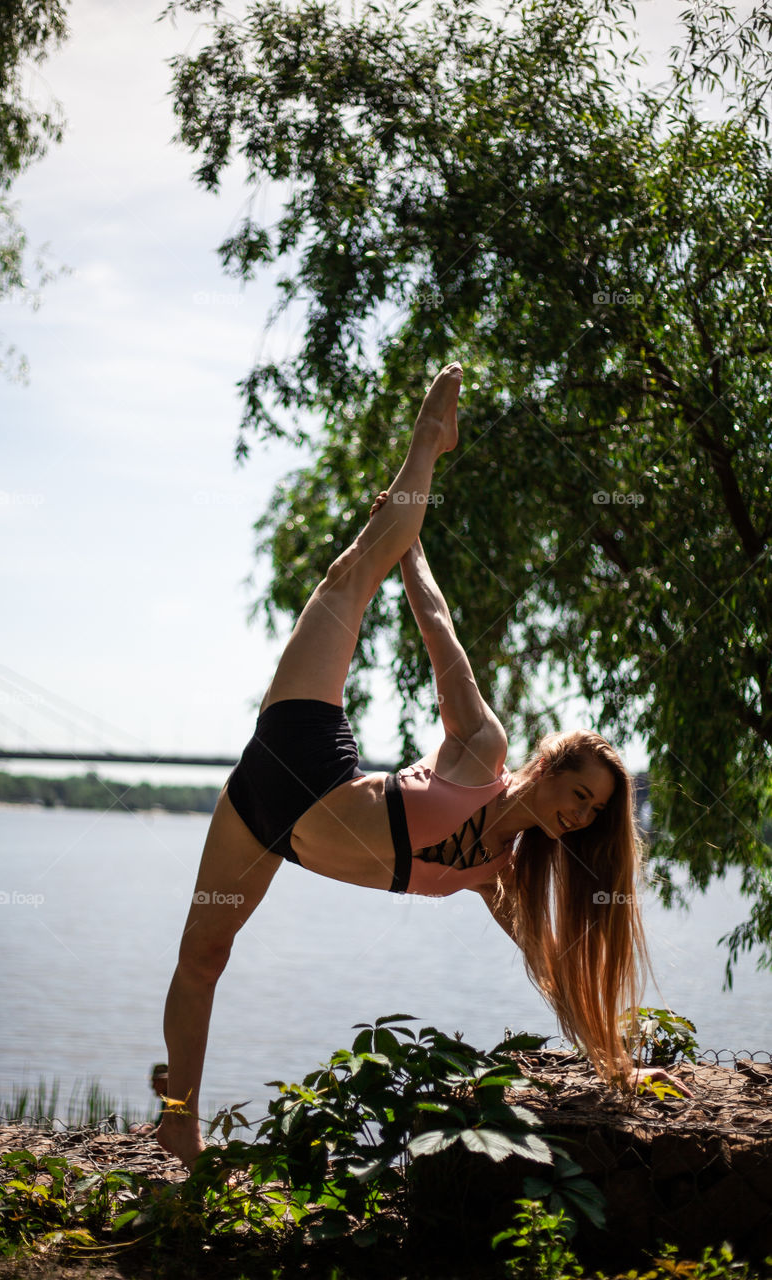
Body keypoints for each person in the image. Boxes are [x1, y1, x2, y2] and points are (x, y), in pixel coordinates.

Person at [155, 362, 689, 1170]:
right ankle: (428, 445)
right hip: (299, 750)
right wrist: (408, 549)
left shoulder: (496, 873)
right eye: (577, 792)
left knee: (205, 959)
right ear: (546, 766)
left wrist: (621, 1063)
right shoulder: (479, 751)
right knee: (352, 573)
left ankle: (175, 1126)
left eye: (590, 813)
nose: (578, 816)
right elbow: (437, 629)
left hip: (271, 829)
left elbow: (553, 970)